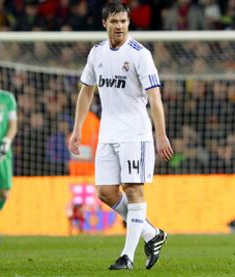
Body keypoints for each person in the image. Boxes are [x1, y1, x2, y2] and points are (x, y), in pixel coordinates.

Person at [69, 1, 173, 271]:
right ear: (104, 23)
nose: (119, 26)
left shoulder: (140, 54)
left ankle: (127, 256)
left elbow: (155, 97)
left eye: (123, 22)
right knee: (105, 192)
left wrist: (160, 135)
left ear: (129, 23)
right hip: (108, 133)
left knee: (134, 189)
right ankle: (152, 234)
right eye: (114, 22)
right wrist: (77, 128)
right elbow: (86, 90)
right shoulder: (97, 53)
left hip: (135, 133)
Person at [0, 89, 17, 218]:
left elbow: (13, 125)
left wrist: (4, 144)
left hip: (2, 152)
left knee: (4, 193)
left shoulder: (7, 98)